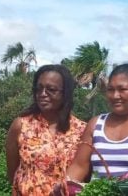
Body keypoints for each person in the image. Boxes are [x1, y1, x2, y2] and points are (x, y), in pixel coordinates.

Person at [6, 64, 86, 196]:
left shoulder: (81, 130)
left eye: (51, 89)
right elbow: (12, 173)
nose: (43, 94)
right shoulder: (21, 125)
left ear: (65, 93)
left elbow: (83, 173)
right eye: (39, 89)